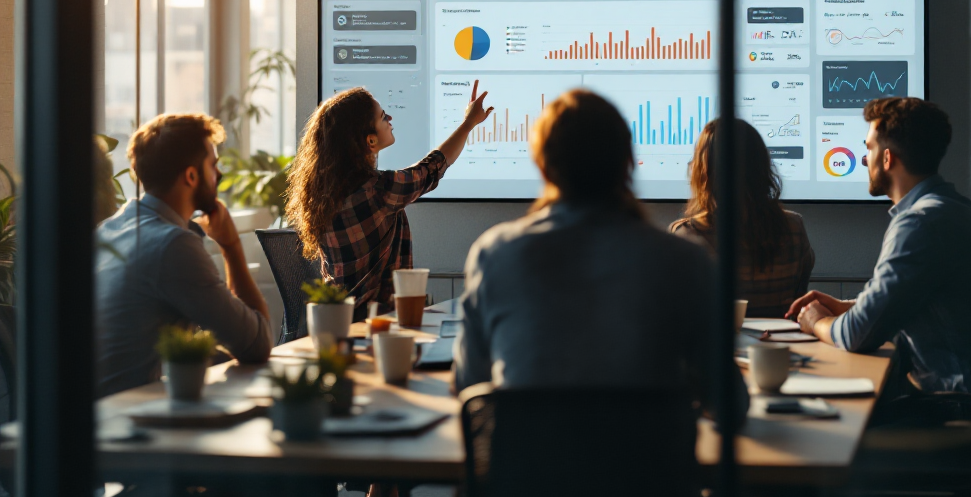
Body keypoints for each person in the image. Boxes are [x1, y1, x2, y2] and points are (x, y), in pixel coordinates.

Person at [454, 88, 748, 418]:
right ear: (626, 163)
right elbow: (730, 405)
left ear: (542, 165)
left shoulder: (494, 254)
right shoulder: (685, 259)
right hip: (649, 467)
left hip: (530, 467)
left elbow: (469, 386)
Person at [788, 97, 971, 399]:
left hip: (961, 412)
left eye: (869, 148)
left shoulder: (920, 223)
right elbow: (904, 305)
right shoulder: (955, 209)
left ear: (887, 159)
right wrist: (845, 306)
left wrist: (816, 320)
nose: (863, 159)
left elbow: (856, 335)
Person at [96, 114, 272, 398]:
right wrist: (231, 246)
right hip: (132, 422)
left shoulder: (108, 230)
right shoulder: (172, 245)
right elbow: (257, 344)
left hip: (91, 417)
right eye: (213, 166)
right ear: (191, 176)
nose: (219, 176)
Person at [286, 80, 492, 320]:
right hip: (377, 323)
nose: (390, 119)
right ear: (370, 141)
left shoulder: (325, 194)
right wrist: (468, 124)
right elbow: (432, 167)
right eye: (383, 117)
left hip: (338, 321)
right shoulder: (377, 191)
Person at [670, 119, 816, 318]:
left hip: (714, 349)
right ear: (762, 165)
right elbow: (798, 303)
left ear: (703, 170)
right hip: (777, 347)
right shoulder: (794, 227)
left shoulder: (686, 235)